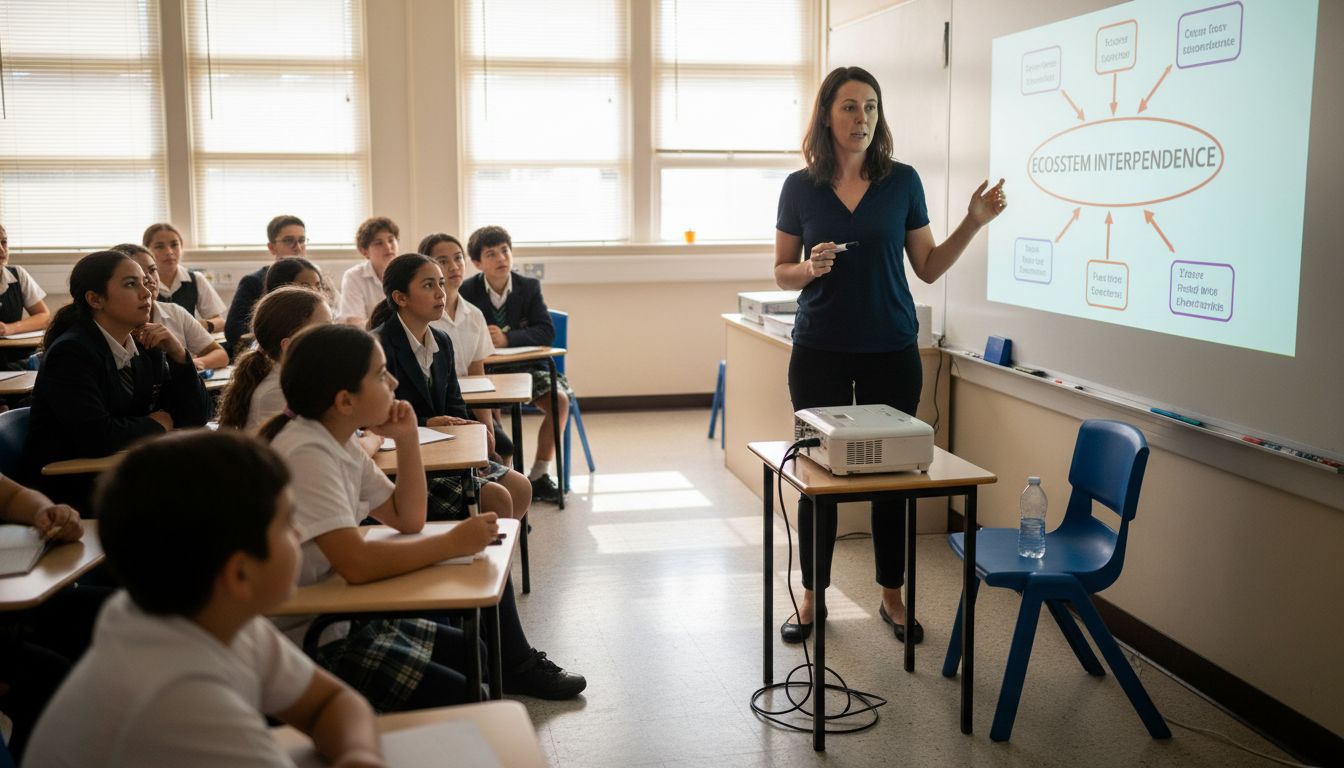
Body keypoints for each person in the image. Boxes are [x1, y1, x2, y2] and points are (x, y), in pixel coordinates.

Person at [773, 66, 1006, 646]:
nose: (863, 119)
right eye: (850, 107)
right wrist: (809, 269)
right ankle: (811, 597)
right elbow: (781, 272)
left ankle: (892, 597)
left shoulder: (902, 181)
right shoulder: (799, 187)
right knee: (816, 478)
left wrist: (972, 225)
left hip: (891, 350)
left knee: (892, 482)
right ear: (827, 115)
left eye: (872, 107)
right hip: (819, 350)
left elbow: (927, 266)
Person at [262, 324, 586, 705]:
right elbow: (358, 564)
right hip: (310, 633)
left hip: (338, 609)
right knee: (463, 684)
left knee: (476, 653)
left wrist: (406, 438)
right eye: (381, 375)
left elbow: (407, 518)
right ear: (345, 401)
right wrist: (451, 542)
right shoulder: (308, 453)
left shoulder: (338, 440)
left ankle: (511, 666)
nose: (394, 382)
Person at [24, 431, 385, 768]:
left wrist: (359, 756)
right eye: (289, 523)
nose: (301, 532)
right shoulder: (176, 696)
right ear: (240, 574)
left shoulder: (211, 613)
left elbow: (330, 702)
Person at [20, 251, 210, 507]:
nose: (147, 293)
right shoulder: (71, 353)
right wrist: (157, 424)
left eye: (145, 282)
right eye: (131, 284)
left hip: (120, 471)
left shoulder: (145, 345)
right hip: (72, 486)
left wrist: (178, 354)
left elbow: (194, 418)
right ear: (95, 299)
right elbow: (96, 437)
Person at [368, 253, 531, 522]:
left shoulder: (442, 342)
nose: (440, 293)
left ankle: (490, 556)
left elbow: (454, 404)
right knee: (497, 497)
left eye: (441, 284)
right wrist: (428, 421)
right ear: (400, 298)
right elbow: (373, 419)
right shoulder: (378, 346)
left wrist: (472, 429)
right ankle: (474, 556)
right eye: (428, 285)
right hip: (403, 463)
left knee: (520, 486)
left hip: (446, 452)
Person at [459, 226, 572, 503]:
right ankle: (504, 474)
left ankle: (539, 474)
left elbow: (546, 331)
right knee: (489, 408)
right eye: (491, 254)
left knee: (560, 401)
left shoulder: (528, 286)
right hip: (487, 368)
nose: (501, 258)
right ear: (477, 262)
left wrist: (507, 338)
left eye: (505, 251)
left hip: (527, 367)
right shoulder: (466, 290)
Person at [0, 474, 86, 760]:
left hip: (16, 595)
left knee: (109, 610)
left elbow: (12, 496)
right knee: (50, 676)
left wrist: (45, 512)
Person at [215, 286, 332, 432]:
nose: (334, 335)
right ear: (289, 346)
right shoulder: (278, 393)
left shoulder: (300, 379)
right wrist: (369, 438)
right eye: (324, 329)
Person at [110, 243, 228, 371]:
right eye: (135, 277)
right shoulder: (112, 322)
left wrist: (190, 362)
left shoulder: (175, 312)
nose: (149, 279)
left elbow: (221, 355)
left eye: (152, 270)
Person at [224, 214, 309, 358]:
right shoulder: (253, 281)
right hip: (268, 355)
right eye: (289, 241)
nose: (298, 247)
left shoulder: (314, 279)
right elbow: (234, 330)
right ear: (272, 247)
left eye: (301, 240)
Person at [141, 223, 227, 334]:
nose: (169, 252)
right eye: (159, 246)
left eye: (174, 245)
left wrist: (204, 325)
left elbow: (220, 321)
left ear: (181, 248)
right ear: (146, 251)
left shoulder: (196, 279)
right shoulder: (140, 283)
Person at [338, 217, 400, 326]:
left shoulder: (410, 272)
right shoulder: (353, 276)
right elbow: (353, 321)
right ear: (364, 251)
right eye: (378, 243)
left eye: (391, 240)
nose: (388, 247)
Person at [0, 223, 53, 346]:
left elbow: (43, 316)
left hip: (13, 353)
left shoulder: (17, 274)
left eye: (4, 242)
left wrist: (9, 328)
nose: (2, 250)